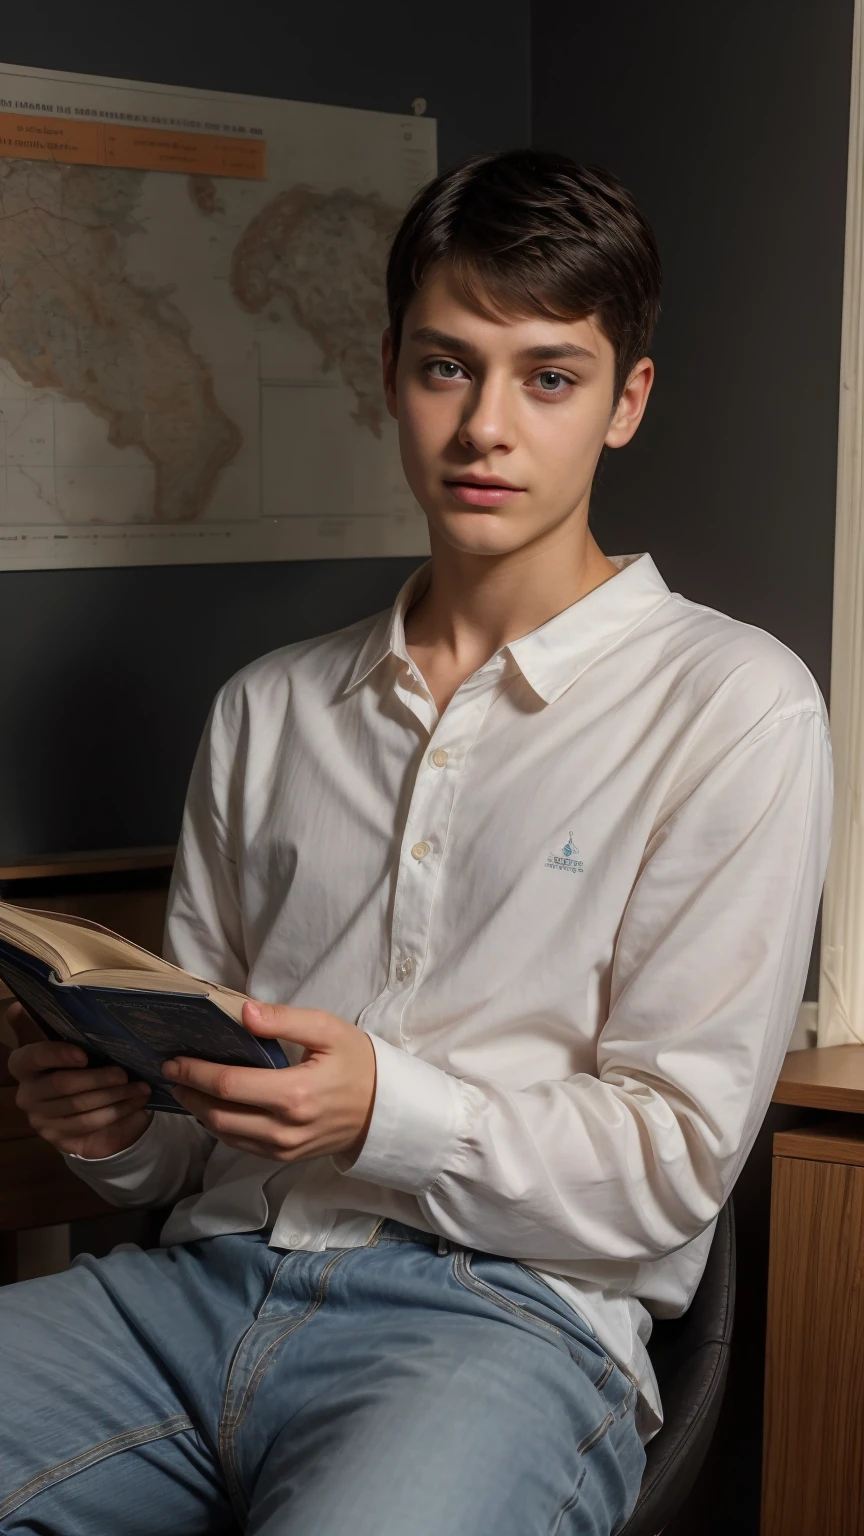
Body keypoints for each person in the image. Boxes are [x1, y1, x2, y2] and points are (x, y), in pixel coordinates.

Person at [1, 148, 833, 1536]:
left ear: (626, 401)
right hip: (195, 1290)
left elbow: (678, 1160)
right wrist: (107, 1125)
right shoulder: (269, 709)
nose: (485, 427)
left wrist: (384, 1108)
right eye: (449, 367)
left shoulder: (737, 707)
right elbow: (173, 1135)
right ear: (389, 370)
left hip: (500, 1331)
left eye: (548, 377)